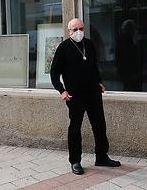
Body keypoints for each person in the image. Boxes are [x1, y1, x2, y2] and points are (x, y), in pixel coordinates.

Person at [50, 18, 121, 175]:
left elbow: (94, 66)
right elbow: (54, 72)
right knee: (75, 128)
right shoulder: (64, 47)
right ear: (69, 31)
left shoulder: (89, 44)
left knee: (100, 125)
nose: (78, 32)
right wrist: (62, 90)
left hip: (93, 93)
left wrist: (99, 82)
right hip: (75, 95)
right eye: (75, 29)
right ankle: (75, 161)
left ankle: (101, 156)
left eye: (81, 28)